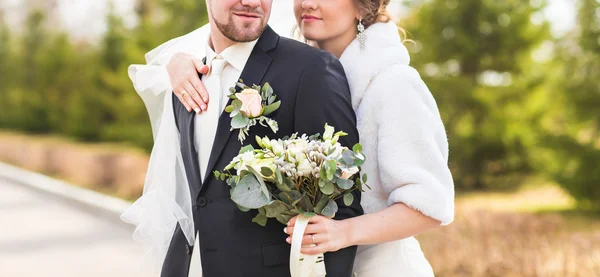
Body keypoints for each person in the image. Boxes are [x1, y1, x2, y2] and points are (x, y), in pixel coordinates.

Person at [129, 0, 456, 276]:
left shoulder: (393, 84)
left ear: (362, 7)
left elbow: (430, 204)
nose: (308, 3)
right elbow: (228, 42)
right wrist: (177, 61)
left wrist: (344, 232)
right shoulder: (302, 65)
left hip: (377, 266)